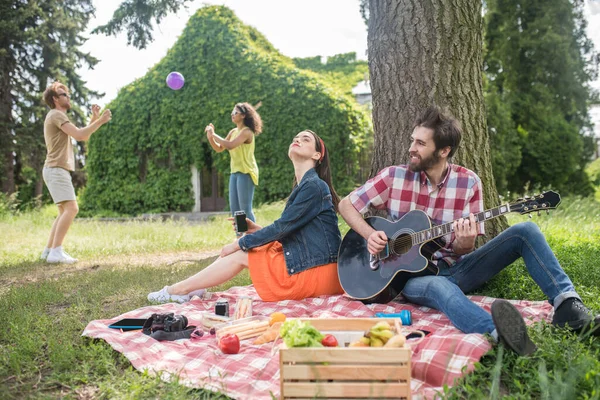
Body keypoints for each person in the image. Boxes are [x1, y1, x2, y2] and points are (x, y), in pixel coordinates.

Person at [338, 106, 600, 356]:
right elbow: (346, 204)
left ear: (444, 151)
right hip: (412, 279)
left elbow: (465, 250)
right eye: (412, 140)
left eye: (420, 144)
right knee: (440, 286)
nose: (411, 149)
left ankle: (568, 306)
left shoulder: (469, 182)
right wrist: (368, 234)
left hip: (459, 268)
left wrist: (465, 242)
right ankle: (501, 333)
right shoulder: (393, 177)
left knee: (526, 230)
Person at [149, 130, 343, 303]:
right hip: (316, 265)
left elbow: (281, 227)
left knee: (243, 251)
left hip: (320, 272)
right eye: (296, 138)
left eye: (305, 139)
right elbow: (291, 231)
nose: (297, 140)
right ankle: (193, 287)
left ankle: (177, 290)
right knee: (252, 245)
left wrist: (238, 244)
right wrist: (255, 230)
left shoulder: (314, 186)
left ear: (317, 155)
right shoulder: (305, 186)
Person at [41, 82, 112, 264]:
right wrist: (101, 120)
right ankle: (56, 252)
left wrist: (94, 118)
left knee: (63, 211)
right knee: (72, 208)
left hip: (55, 169)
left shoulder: (58, 116)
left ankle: (49, 250)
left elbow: (83, 135)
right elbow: (80, 135)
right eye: (64, 94)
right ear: (55, 99)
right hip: (56, 169)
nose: (68, 97)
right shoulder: (56, 114)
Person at [205, 102, 262, 224]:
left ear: (243, 115)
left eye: (235, 112)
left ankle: (252, 237)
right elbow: (220, 148)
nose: (232, 114)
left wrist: (214, 134)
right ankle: (240, 237)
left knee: (245, 209)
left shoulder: (247, 132)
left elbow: (230, 145)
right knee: (236, 210)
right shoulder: (233, 131)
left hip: (246, 172)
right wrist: (211, 137)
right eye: (232, 112)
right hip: (235, 172)